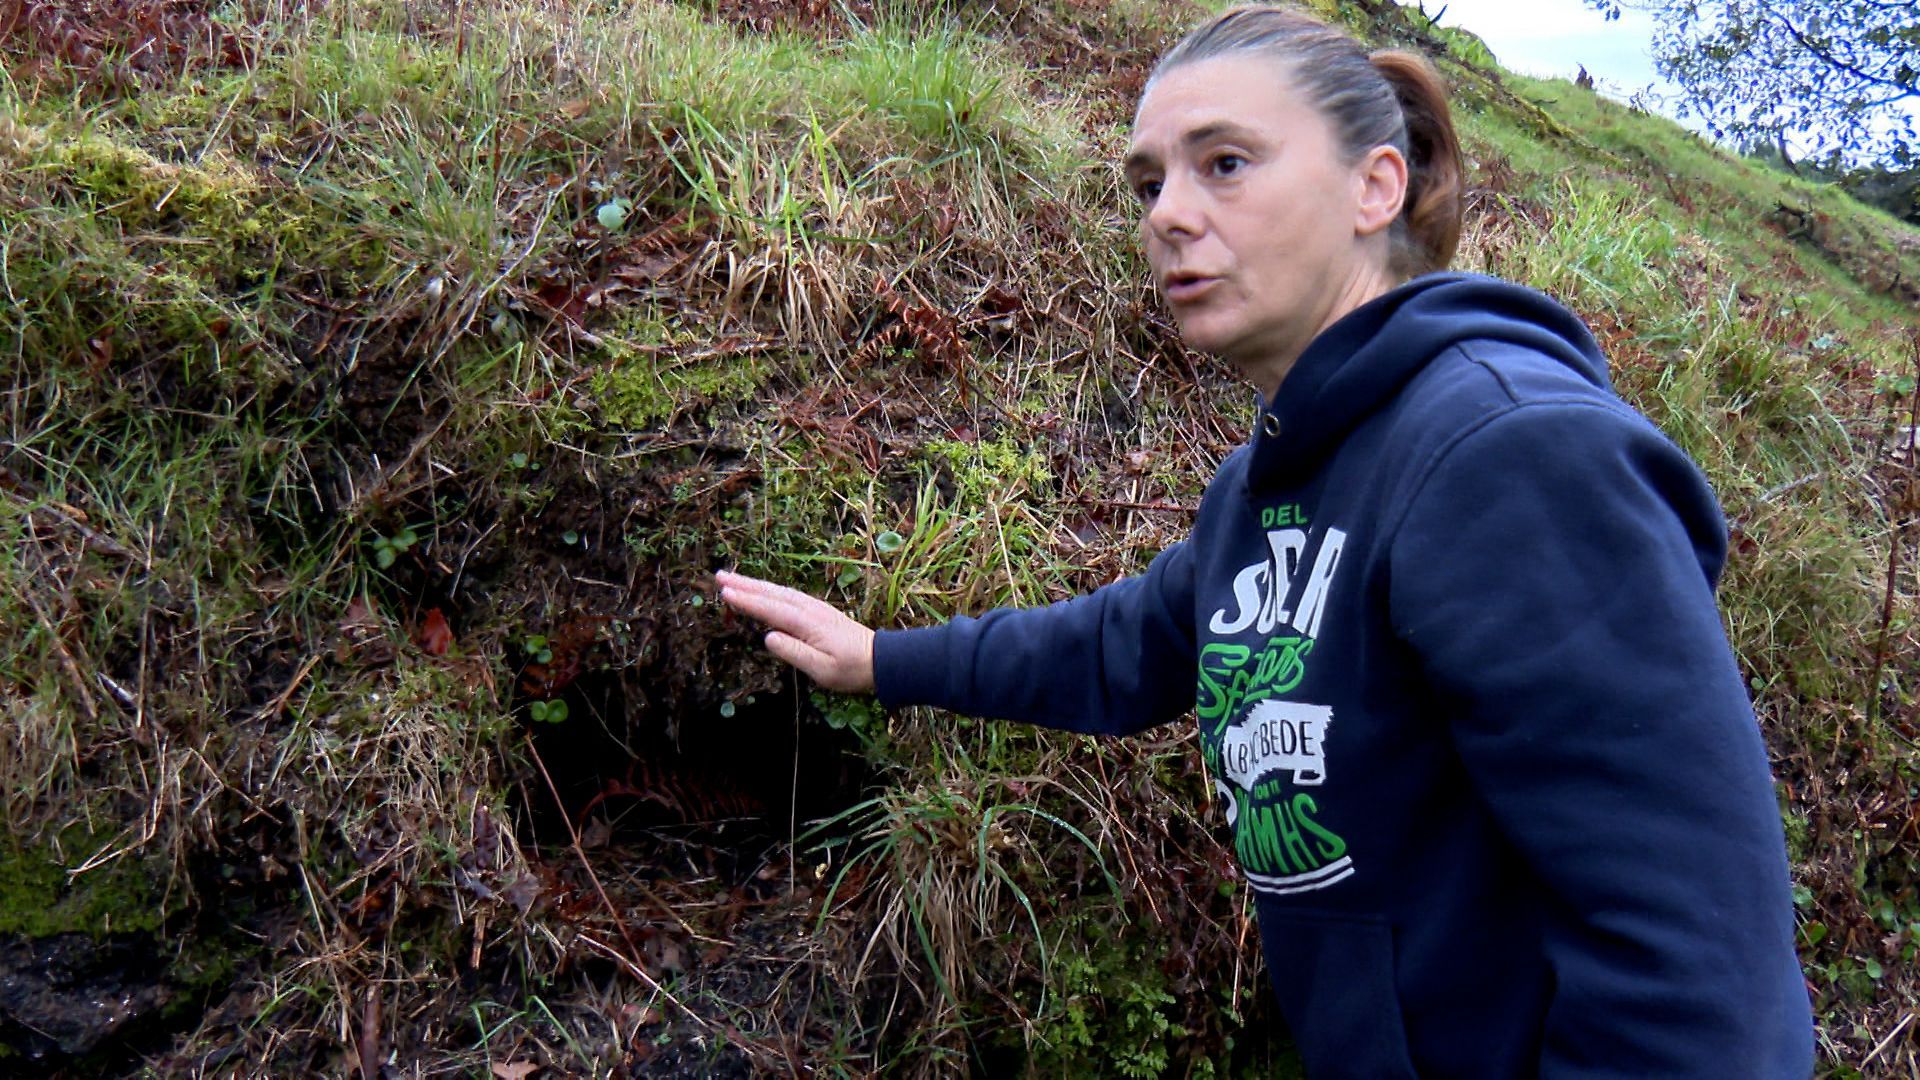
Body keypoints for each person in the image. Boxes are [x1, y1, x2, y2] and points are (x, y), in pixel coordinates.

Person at [718, 5, 1815, 1076]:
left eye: (1225, 164)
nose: (1166, 214)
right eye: (1150, 182)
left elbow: (1698, 973)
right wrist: (881, 659)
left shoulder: (1510, 454)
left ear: (1374, 185)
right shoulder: (1275, 480)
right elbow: (1126, 643)